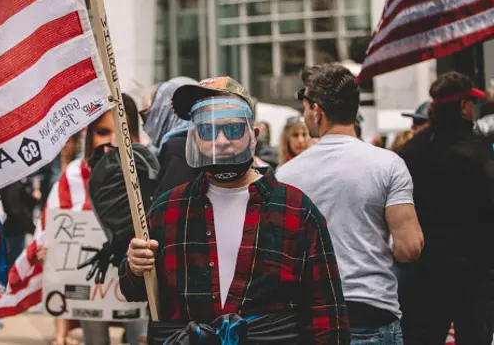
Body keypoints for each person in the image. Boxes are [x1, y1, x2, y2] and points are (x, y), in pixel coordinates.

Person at [120, 77, 350, 344]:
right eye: (207, 130)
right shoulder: (168, 209)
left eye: (232, 129)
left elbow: (327, 316)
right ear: (193, 138)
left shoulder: (296, 211)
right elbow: (134, 290)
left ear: (253, 135)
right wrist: (135, 267)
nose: (220, 141)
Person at [276, 64, 423, 344]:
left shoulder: (287, 175)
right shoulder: (388, 165)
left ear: (317, 111)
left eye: (305, 107)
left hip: (313, 316)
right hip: (373, 310)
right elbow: (410, 248)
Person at [397, 72, 494, 345]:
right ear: (464, 106)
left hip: (425, 270)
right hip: (474, 273)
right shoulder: (481, 150)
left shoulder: (412, 150)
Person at [77, 93, 152, 345]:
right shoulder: (72, 177)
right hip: (92, 285)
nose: (111, 140)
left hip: (138, 279)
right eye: (101, 131)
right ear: (89, 135)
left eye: (122, 130)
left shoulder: (148, 169)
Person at [141, 77, 199, 198]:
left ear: (164, 111)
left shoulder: (178, 149)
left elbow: (166, 209)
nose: (145, 126)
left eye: (147, 115)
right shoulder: (200, 142)